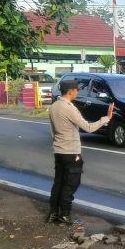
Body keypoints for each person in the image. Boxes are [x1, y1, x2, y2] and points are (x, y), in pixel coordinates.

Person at [47, 80, 114, 224]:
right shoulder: (69, 108)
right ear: (71, 91)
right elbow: (88, 127)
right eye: (77, 90)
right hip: (71, 151)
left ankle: (53, 213)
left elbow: (52, 130)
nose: (78, 92)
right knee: (71, 183)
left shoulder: (54, 106)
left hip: (58, 150)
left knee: (59, 182)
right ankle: (64, 214)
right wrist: (106, 119)